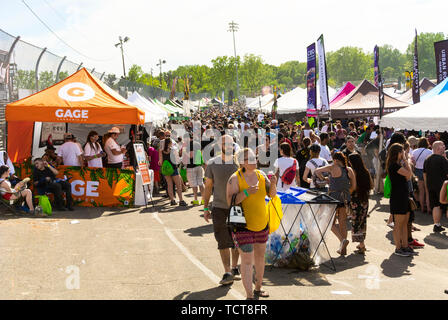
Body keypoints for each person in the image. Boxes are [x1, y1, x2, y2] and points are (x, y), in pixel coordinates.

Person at [226, 148, 277, 300]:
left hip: (262, 224)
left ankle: (258, 288)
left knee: (260, 258)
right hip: (243, 226)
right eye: (250, 159)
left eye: (255, 158)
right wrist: (247, 192)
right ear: (242, 162)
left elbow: (272, 194)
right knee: (247, 261)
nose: (254, 161)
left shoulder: (261, 175)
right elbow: (230, 201)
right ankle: (249, 296)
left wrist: (273, 183)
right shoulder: (235, 178)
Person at [203, 135, 241, 286]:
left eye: (231, 143)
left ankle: (234, 267)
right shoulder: (212, 164)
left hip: (237, 207)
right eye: (225, 143)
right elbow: (207, 187)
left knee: (237, 239)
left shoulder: (239, 163)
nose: (228, 145)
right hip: (218, 207)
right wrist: (205, 207)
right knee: (222, 240)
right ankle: (227, 272)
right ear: (219, 145)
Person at [315, 152, 356, 256]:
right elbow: (354, 186)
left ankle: (342, 240)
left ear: (336, 160)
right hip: (345, 199)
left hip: (333, 198)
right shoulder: (349, 170)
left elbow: (317, 171)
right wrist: (346, 192)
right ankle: (343, 249)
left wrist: (324, 179)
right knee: (343, 223)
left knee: (329, 223)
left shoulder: (332, 167)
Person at [386, 143, 415, 257]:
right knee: (398, 224)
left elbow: (408, 176)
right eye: (402, 151)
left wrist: (404, 161)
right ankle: (398, 248)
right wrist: (406, 161)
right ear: (397, 153)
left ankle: (405, 246)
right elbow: (409, 175)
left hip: (404, 196)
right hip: (398, 197)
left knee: (404, 223)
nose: (404, 153)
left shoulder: (398, 164)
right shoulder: (394, 166)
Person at [348, 153, 373, 254]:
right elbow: (371, 185)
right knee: (362, 221)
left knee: (356, 222)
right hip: (364, 200)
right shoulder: (365, 171)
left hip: (355, 200)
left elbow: (353, 188)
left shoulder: (353, 172)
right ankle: (361, 243)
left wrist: (347, 193)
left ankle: (362, 245)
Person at [423, 141, 448, 232]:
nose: (444, 147)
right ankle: (437, 225)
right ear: (438, 148)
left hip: (431, 186)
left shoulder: (427, 159)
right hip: (443, 187)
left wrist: (426, 187)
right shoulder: (442, 159)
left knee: (436, 206)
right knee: (444, 205)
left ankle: (436, 225)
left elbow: (424, 174)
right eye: (443, 145)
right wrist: (446, 159)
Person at [161, 137, 187, 206]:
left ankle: (172, 200)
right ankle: (181, 200)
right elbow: (177, 160)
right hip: (173, 168)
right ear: (170, 143)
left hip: (166, 169)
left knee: (169, 185)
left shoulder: (161, 151)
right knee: (178, 185)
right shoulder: (173, 149)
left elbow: (160, 162)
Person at [412, 137, 432, 214]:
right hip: (427, 171)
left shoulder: (415, 151)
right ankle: (429, 208)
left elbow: (413, 161)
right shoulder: (430, 152)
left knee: (421, 190)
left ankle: (422, 208)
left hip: (418, 171)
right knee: (427, 191)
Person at [183, 134, 204, 205]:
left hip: (191, 166)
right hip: (199, 165)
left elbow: (191, 156)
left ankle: (196, 199)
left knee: (194, 184)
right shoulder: (197, 143)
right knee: (200, 183)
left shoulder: (188, 145)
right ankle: (203, 199)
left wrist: (184, 152)